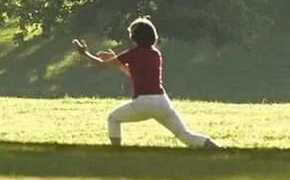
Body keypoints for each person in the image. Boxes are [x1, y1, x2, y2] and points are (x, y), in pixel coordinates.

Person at [72, 17, 223, 148]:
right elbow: (134, 74)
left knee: (113, 118)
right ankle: (223, 151)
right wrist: (117, 61)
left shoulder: (131, 54)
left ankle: (116, 153)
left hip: (143, 102)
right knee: (185, 135)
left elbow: (101, 65)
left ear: (134, 37)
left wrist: (84, 53)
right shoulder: (155, 53)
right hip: (162, 102)